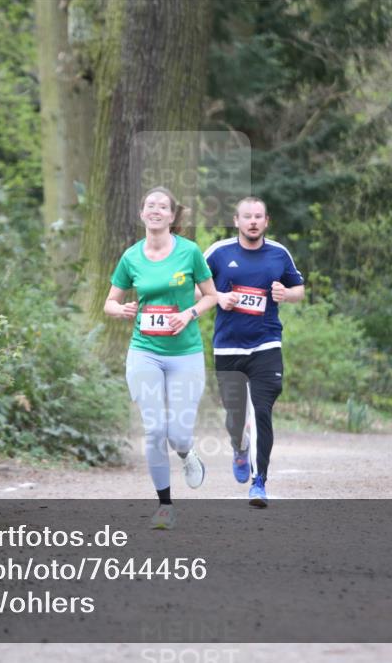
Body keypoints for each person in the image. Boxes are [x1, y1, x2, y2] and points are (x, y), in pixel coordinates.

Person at [105, 187, 219, 529]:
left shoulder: (190, 252)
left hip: (185, 353)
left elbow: (211, 296)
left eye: (162, 206)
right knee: (154, 430)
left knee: (178, 434)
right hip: (144, 352)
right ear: (142, 214)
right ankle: (165, 506)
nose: (155, 210)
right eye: (149, 205)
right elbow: (110, 301)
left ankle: (187, 453)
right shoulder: (131, 257)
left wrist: (189, 314)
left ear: (172, 216)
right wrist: (120, 309)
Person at [203, 197, 304, 507]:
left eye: (258, 216)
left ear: (266, 221)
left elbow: (299, 289)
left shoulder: (278, 253)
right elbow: (195, 289)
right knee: (235, 418)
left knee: (261, 411)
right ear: (236, 220)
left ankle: (259, 482)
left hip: (266, 344)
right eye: (247, 216)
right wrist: (219, 297)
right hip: (228, 345)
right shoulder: (218, 253)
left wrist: (286, 294)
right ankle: (239, 447)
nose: (253, 221)